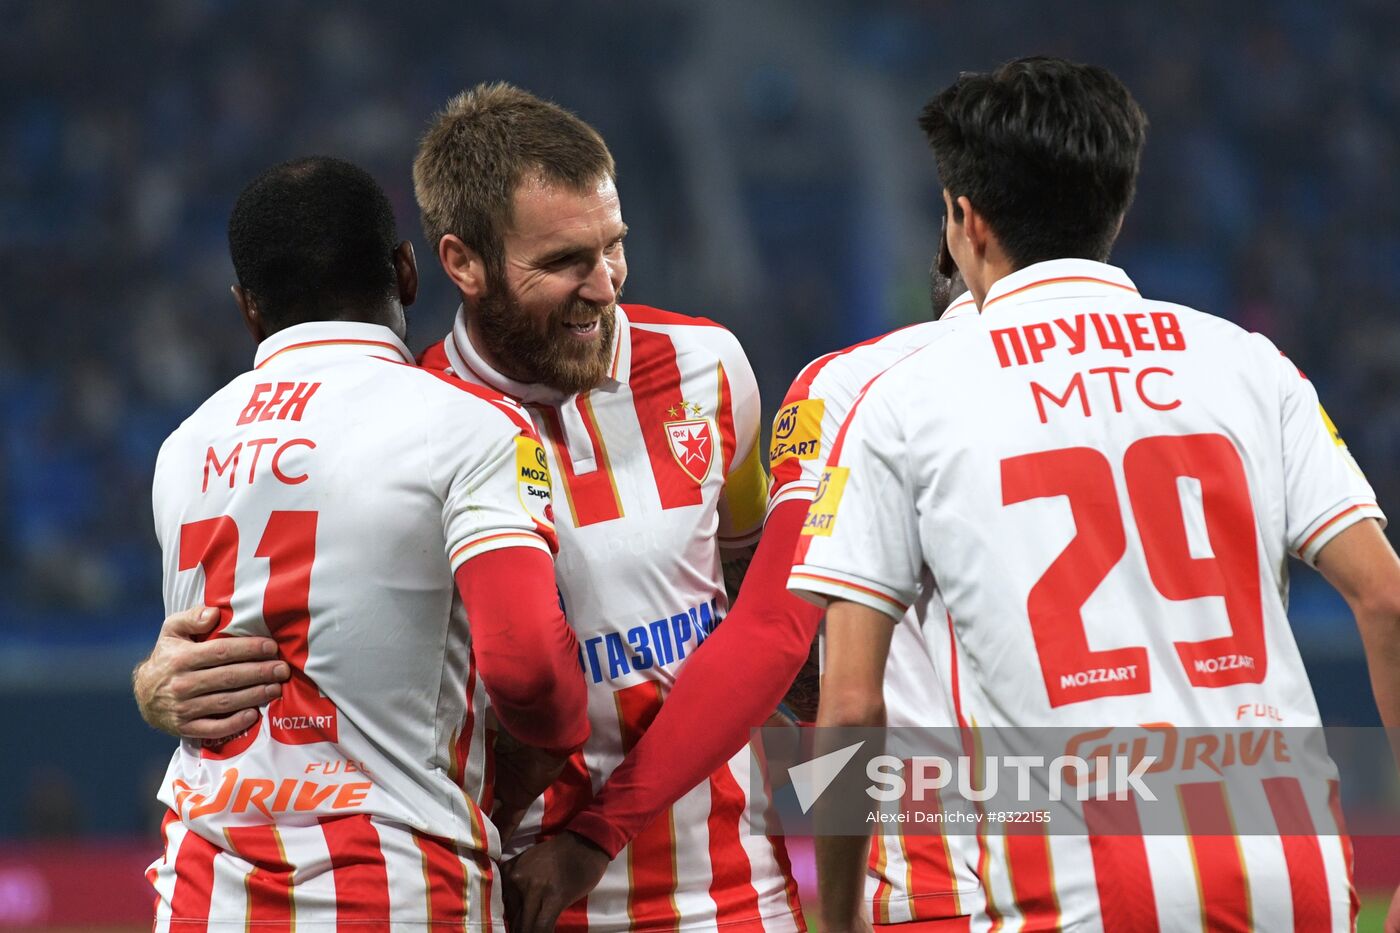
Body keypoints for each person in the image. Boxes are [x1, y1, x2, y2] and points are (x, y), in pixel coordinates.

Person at [136, 86, 806, 932]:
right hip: (519, 894)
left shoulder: (712, 367)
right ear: (458, 263)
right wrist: (158, 680)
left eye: (615, 247)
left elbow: (757, 610)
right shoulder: (409, 424)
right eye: (565, 260)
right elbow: (303, 639)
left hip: (730, 891)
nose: (604, 287)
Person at [789, 56, 1400, 932]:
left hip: (1077, 883)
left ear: (966, 220)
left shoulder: (908, 399)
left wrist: (840, 917)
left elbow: (851, 704)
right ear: (1119, 205)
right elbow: (1385, 597)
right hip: (1291, 867)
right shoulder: (1245, 362)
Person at [146, 156, 588, 928]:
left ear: (248, 308)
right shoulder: (470, 427)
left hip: (205, 885)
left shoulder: (184, 446)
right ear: (408, 272)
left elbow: (193, 665)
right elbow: (528, 670)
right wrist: (529, 767)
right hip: (399, 880)